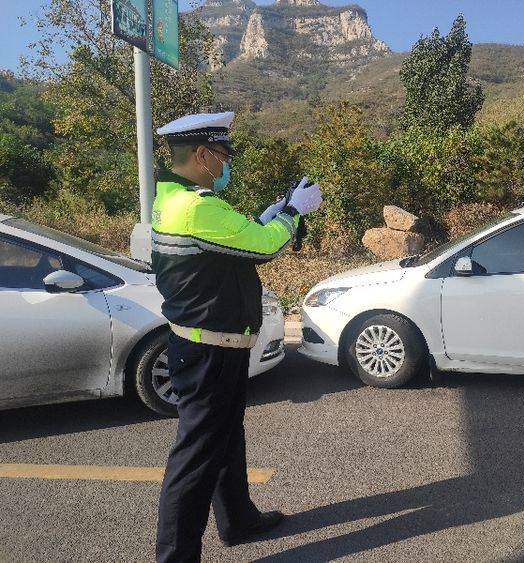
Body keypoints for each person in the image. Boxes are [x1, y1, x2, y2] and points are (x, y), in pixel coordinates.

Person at [151, 111, 323, 562]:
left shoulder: (176, 198)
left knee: (227, 438)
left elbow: (234, 243)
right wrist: (291, 213)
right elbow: (266, 245)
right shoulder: (197, 207)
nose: (228, 164)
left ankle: (238, 519)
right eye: (224, 155)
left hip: (209, 345)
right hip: (207, 350)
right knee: (196, 458)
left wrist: (268, 215)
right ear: (203, 154)